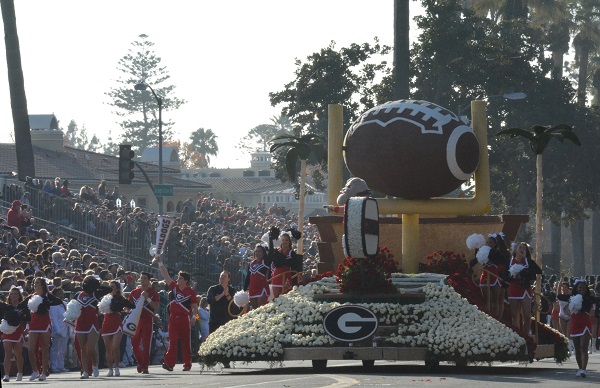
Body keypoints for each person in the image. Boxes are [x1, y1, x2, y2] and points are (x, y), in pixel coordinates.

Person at [155, 255, 198, 372]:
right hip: (173, 318)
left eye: (180, 278)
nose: (178, 280)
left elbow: (194, 306)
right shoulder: (174, 287)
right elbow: (165, 275)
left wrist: (194, 316)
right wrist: (160, 263)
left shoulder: (190, 292)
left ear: (186, 281)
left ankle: (187, 363)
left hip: (184, 319)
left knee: (185, 342)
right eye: (178, 278)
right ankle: (169, 363)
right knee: (172, 341)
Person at [19, 277, 64, 381]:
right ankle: (35, 370)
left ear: (43, 285)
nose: (35, 284)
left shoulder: (47, 295)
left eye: (38, 283)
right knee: (31, 349)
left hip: (44, 324)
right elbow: (21, 305)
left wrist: (47, 303)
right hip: (34, 324)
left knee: (44, 349)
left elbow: (58, 301)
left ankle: (44, 371)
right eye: (35, 283)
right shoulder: (31, 296)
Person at [558, 279, 600, 377]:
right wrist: (561, 282)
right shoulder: (571, 297)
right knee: (577, 349)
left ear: (586, 289)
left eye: (584, 288)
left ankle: (583, 370)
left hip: (585, 322)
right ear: (576, 288)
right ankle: (580, 368)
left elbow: (597, 299)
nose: (582, 289)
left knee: (583, 348)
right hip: (575, 323)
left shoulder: (588, 298)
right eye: (580, 287)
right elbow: (559, 296)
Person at [75, 275, 112, 379]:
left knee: (91, 348)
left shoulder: (95, 294)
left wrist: (96, 286)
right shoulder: (78, 295)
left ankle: (95, 365)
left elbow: (109, 289)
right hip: (80, 323)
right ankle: (85, 370)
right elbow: (72, 306)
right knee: (83, 349)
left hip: (92, 323)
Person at [99, 280, 135, 377]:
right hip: (106, 322)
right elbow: (100, 311)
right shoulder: (104, 298)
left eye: (113, 287)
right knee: (108, 348)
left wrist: (123, 310)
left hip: (116, 322)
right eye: (110, 287)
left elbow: (132, 306)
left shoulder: (120, 298)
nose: (111, 289)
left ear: (117, 288)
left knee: (116, 347)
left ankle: (117, 367)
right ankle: (110, 369)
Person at [468, 233, 508, 319]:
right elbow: (475, 261)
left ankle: (496, 319)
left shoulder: (497, 253)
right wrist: (477, 248)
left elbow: (502, 260)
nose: (488, 244)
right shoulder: (483, 251)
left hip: (495, 277)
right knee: (486, 299)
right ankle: (487, 318)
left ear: (494, 244)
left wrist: (491, 253)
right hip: (485, 276)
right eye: (487, 242)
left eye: (491, 242)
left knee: (495, 299)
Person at [128, 272, 159, 374]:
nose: (142, 280)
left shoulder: (153, 292)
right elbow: (129, 306)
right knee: (134, 344)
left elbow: (156, 307)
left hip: (147, 319)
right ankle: (141, 362)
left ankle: (145, 366)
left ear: (149, 280)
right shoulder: (134, 292)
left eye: (145, 278)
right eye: (141, 278)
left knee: (146, 344)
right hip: (135, 320)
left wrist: (148, 298)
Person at [507, 242, 542, 336]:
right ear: (515, 250)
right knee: (515, 315)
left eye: (524, 248)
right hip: (513, 290)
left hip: (525, 290)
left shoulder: (528, 262)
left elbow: (538, 271)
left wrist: (526, 272)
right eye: (520, 247)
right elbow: (504, 276)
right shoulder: (510, 262)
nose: (522, 249)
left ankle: (526, 336)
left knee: (527, 315)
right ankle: (518, 336)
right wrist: (512, 276)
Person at [207, 270, 236, 368]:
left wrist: (227, 294)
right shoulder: (213, 289)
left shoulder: (232, 289)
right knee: (213, 340)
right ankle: (212, 359)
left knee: (225, 341)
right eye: (221, 276)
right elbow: (210, 300)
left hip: (227, 320)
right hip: (215, 319)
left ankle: (225, 361)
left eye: (224, 276)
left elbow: (233, 303)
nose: (222, 278)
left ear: (228, 279)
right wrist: (222, 294)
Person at [1, 286, 26, 382]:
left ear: (19, 295)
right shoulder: (6, 306)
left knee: (18, 353)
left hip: (19, 331)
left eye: (15, 294)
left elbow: (26, 319)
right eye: (11, 294)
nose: (13, 296)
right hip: (7, 331)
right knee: (7, 353)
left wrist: (26, 328)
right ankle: (6, 375)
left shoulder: (23, 306)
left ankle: (20, 372)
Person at [269, 230, 302, 299]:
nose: (284, 242)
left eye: (286, 240)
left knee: (285, 298)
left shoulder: (291, 253)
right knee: (276, 299)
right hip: (276, 276)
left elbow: (295, 265)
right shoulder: (278, 251)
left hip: (286, 276)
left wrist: (286, 261)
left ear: (289, 242)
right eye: (283, 240)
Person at [243, 244, 271, 310]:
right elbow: (248, 277)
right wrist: (244, 289)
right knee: (254, 311)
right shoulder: (251, 263)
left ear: (263, 253)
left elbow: (270, 255)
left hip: (262, 289)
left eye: (259, 251)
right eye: (256, 251)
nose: (257, 253)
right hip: (252, 289)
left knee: (260, 310)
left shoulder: (265, 262)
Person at [49, 287, 69, 374]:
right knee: (55, 349)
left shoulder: (65, 303)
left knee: (62, 349)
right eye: (59, 294)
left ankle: (61, 366)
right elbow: (54, 319)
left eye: (62, 293)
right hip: (57, 330)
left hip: (65, 329)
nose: (61, 295)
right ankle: (54, 366)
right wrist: (57, 330)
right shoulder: (54, 305)